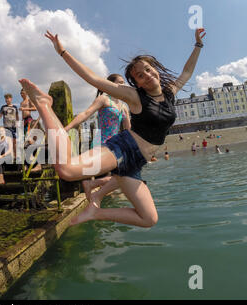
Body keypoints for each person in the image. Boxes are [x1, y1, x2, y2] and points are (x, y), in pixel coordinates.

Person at [18, 27, 205, 229]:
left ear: (155, 70)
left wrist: (198, 45)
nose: (147, 75)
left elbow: (186, 72)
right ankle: (44, 104)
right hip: (123, 149)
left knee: (149, 219)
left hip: (135, 164)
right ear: (138, 84)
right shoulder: (135, 97)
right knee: (67, 170)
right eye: (140, 76)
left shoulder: (169, 93)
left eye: (148, 70)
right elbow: (93, 78)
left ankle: (96, 212)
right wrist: (63, 52)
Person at [64, 74, 131, 202]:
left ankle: (97, 192)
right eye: (120, 83)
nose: (123, 85)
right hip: (101, 143)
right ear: (111, 84)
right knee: (110, 181)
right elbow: (86, 113)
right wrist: (67, 128)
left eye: (124, 82)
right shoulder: (103, 99)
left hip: (117, 145)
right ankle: (97, 200)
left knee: (123, 177)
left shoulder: (124, 106)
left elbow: (128, 128)